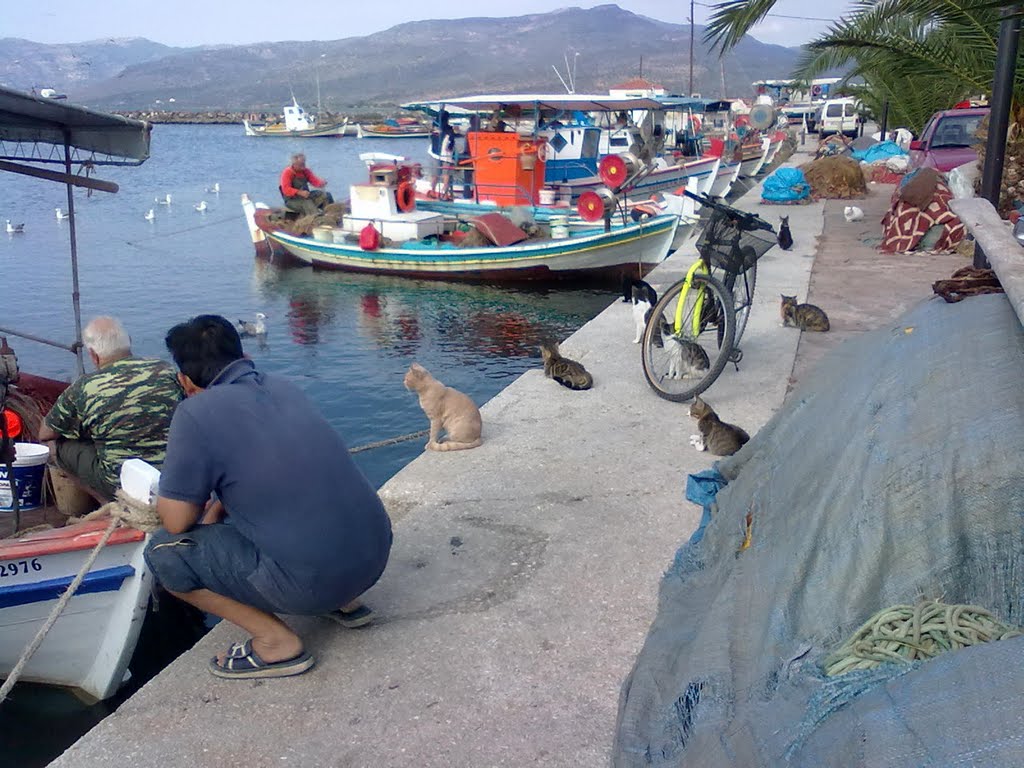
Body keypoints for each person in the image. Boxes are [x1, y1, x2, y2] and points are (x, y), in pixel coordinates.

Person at [145, 315, 392, 680]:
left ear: (184, 380)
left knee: (163, 553)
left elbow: (177, 521)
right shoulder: (284, 386)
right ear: (241, 353)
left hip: (312, 584)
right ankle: (345, 602)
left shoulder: (194, 412)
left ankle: (276, 642)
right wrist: (215, 511)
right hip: (374, 558)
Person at [38, 316, 182, 499]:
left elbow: (45, 433)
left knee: (57, 445)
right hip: (172, 474)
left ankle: (105, 501)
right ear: (129, 342)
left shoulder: (84, 386)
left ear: (93, 355)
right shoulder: (165, 369)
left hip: (118, 482)